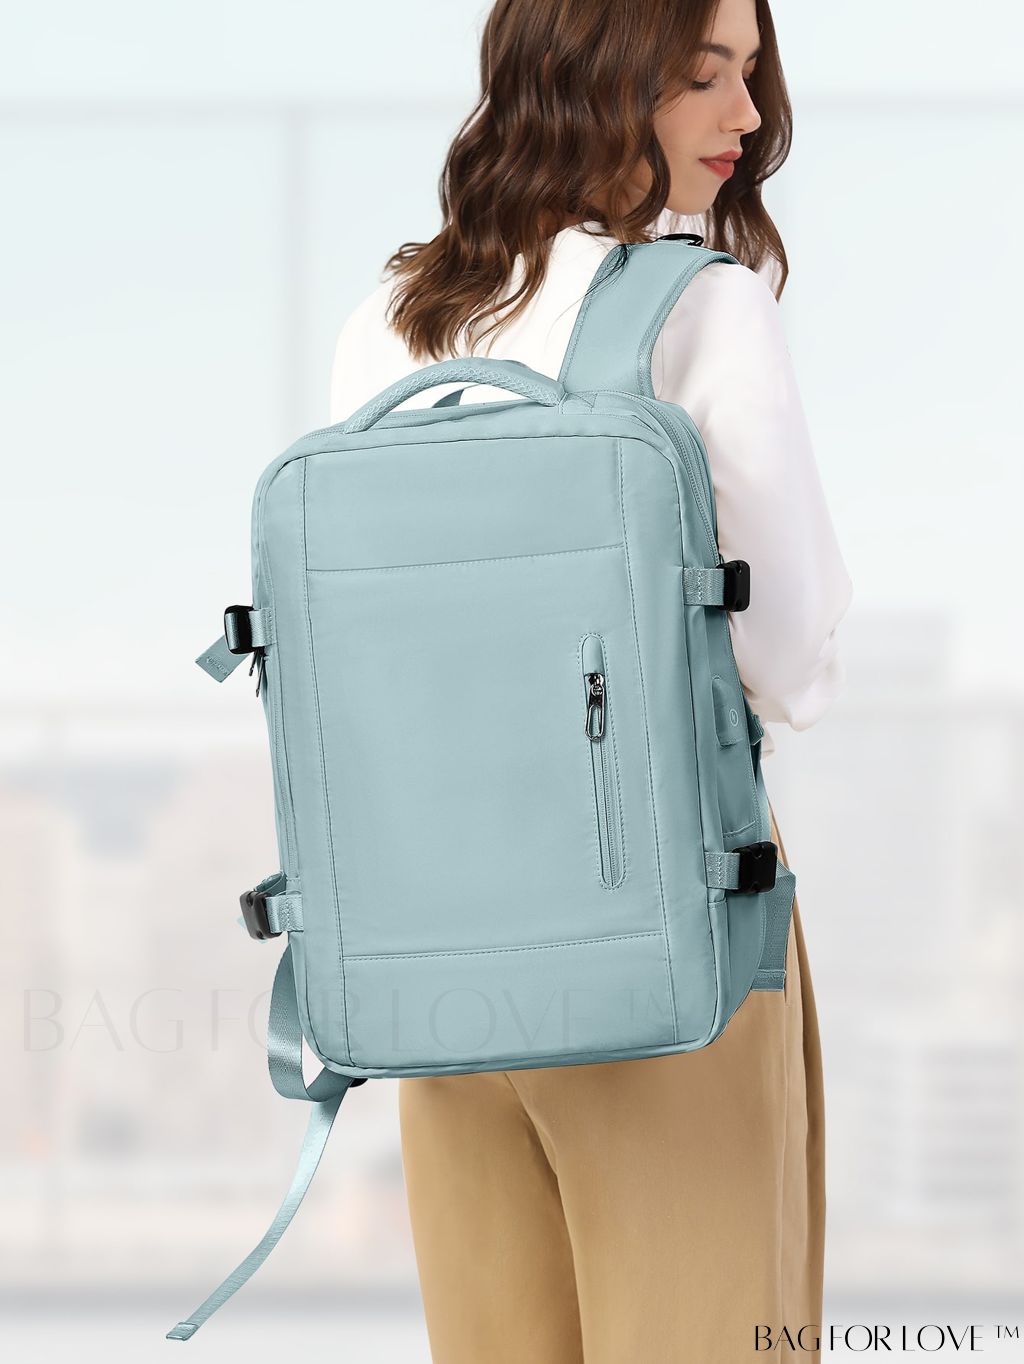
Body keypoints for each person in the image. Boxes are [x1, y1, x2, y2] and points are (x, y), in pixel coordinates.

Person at [328, 1, 853, 1359]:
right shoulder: (705, 307)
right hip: (670, 948)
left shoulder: (389, 325)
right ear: (599, 75)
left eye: (751, 74)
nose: (746, 115)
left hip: (438, 971)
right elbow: (792, 658)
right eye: (703, 74)